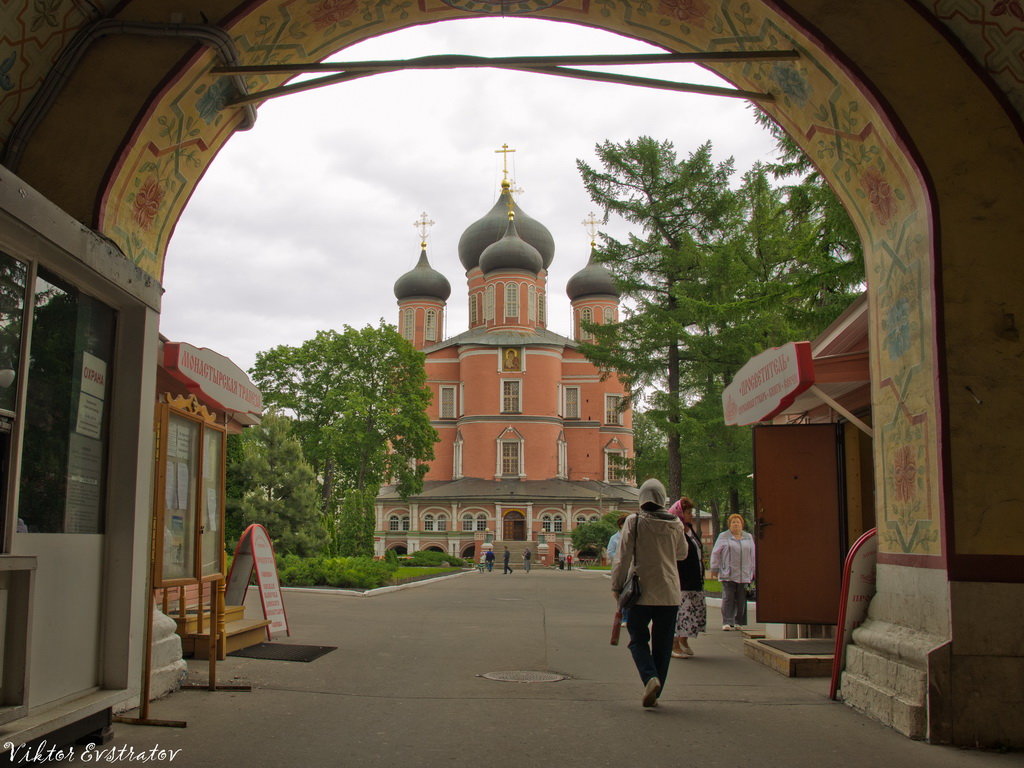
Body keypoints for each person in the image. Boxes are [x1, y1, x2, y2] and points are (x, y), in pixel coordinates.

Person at [611, 478, 688, 708]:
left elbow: (622, 558)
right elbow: (682, 553)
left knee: (637, 639)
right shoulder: (675, 523)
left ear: (642, 498)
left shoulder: (634, 522)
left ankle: (649, 677)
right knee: (663, 644)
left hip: (640, 592)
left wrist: (616, 587)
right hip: (669, 592)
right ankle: (657, 688)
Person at [668, 497, 706, 658]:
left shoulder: (689, 529)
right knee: (682, 613)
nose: (691, 515)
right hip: (682, 579)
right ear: (680, 513)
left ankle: (684, 639)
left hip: (695, 577)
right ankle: (674, 643)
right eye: (688, 512)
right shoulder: (675, 531)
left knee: (694, 612)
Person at [709, 513, 755, 630]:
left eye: (738, 522)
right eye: (733, 522)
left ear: (742, 524)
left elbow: (753, 554)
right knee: (728, 597)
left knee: (741, 598)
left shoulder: (748, 537)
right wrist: (714, 568)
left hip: (744, 573)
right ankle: (727, 621)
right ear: (729, 525)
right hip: (728, 572)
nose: (736, 524)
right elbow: (716, 553)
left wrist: (754, 570)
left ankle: (739, 622)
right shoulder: (723, 536)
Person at [607, 514, 630, 626]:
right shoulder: (614, 538)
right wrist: (619, 558)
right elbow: (610, 552)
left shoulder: (631, 536)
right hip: (619, 567)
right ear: (621, 525)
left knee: (627, 593)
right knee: (618, 594)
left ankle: (625, 617)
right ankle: (621, 613)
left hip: (630, 568)